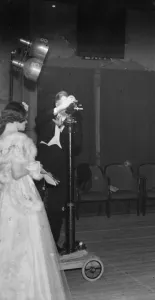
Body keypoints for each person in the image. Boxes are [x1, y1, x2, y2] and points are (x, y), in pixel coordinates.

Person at [0, 102, 72, 299]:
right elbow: (17, 172)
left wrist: (41, 171)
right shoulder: (18, 139)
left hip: (6, 196)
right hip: (21, 196)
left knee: (9, 246)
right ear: (15, 119)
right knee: (27, 246)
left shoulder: (2, 139)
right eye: (23, 118)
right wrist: (35, 167)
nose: (26, 122)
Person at [35, 91, 82, 253]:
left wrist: (66, 127)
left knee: (56, 211)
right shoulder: (46, 118)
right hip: (41, 170)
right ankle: (38, 247)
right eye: (62, 104)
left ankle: (53, 246)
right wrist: (61, 107)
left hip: (62, 171)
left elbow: (76, 147)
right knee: (38, 208)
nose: (65, 108)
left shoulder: (72, 122)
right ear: (56, 105)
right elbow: (38, 120)